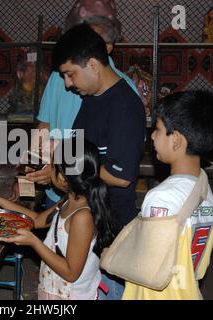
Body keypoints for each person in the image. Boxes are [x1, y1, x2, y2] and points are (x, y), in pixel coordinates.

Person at [0, 139, 117, 300]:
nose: (49, 169)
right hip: (55, 291)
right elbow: (37, 219)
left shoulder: (82, 217)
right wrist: (0, 202)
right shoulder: (69, 200)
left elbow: (71, 273)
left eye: (53, 166)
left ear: (61, 177)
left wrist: (35, 242)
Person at [23, 16, 140, 208]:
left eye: (70, 75)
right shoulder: (91, 97)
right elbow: (75, 151)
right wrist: (46, 162)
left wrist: (58, 168)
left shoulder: (124, 106)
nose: (67, 84)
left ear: (93, 65)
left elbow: (120, 178)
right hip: (79, 206)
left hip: (107, 218)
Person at [122, 90, 213, 299]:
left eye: (157, 129)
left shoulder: (161, 198)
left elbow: (146, 265)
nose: (152, 136)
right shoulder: (205, 190)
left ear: (176, 140)